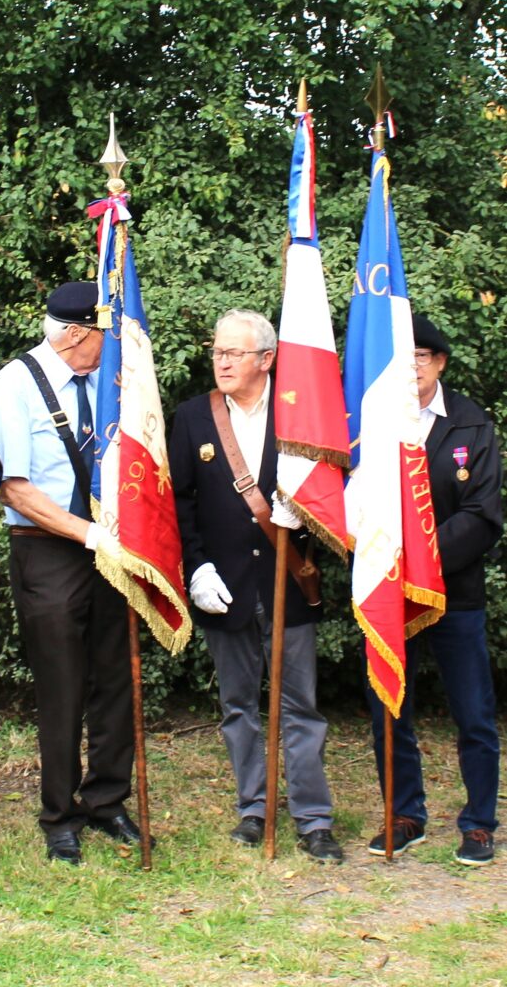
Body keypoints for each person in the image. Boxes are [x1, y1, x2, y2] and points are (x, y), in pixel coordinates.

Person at [167, 308, 342, 863]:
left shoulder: (301, 416)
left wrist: (308, 520)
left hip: (287, 581)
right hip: (225, 586)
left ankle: (314, 820)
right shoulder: (194, 417)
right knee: (238, 705)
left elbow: (336, 495)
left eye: (234, 352)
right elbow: (179, 505)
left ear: (267, 359)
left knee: (300, 707)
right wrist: (196, 568)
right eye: (217, 350)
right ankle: (253, 810)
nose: (221, 360)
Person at [0, 282, 138, 865]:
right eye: (104, 334)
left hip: (110, 546)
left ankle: (107, 800)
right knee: (62, 685)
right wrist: (86, 534)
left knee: (113, 678)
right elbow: (15, 489)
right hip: (47, 550)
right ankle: (59, 814)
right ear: (75, 333)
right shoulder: (14, 384)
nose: (110, 345)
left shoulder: (107, 380)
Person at [366, 314, 502, 866]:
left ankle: (479, 822)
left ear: (440, 362)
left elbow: (483, 515)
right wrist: (389, 564)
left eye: (421, 357)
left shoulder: (472, 424)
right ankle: (405, 814)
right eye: (403, 359)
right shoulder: (372, 420)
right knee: (388, 707)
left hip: (455, 593)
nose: (412, 368)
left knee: (473, 711)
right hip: (388, 594)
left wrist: (421, 559)